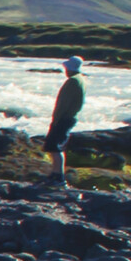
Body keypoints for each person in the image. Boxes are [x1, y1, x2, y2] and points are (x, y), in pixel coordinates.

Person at [44, 54, 88, 183]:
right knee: (57, 146)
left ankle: (58, 175)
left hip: (64, 118)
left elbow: (63, 104)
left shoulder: (73, 81)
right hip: (70, 117)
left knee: (54, 146)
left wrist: (55, 119)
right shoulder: (81, 79)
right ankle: (56, 173)